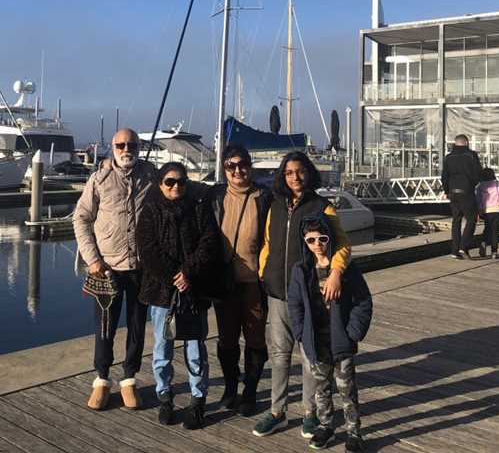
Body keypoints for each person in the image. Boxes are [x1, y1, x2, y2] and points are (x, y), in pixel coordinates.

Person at [253, 151, 352, 439]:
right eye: (288, 172)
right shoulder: (276, 205)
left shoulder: (322, 207)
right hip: (276, 292)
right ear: (282, 176)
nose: (294, 177)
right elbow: (268, 244)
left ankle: (310, 412)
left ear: (309, 172)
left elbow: (343, 244)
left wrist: (335, 272)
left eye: (300, 171)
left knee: (310, 355)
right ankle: (277, 411)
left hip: (309, 294)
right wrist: (263, 270)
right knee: (280, 355)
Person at [73, 128, 155, 411]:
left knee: (136, 327)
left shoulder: (152, 176)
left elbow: (177, 189)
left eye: (131, 144)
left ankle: (129, 379)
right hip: (106, 269)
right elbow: (81, 219)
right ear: (113, 146)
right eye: (121, 144)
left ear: (139, 146)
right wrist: (93, 259)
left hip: (141, 268)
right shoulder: (99, 179)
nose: (126, 149)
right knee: (105, 327)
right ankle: (102, 379)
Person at [137, 162, 221, 430]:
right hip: (162, 292)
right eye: (169, 182)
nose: (175, 186)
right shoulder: (150, 210)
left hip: (194, 290)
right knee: (162, 349)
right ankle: (165, 396)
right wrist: (174, 276)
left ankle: (198, 400)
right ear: (160, 184)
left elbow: (209, 241)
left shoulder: (198, 207)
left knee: (195, 350)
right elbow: (147, 249)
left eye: (181, 182)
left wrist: (188, 273)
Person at [288, 214, 372, 451]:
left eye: (322, 238)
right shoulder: (301, 270)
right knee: (321, 390)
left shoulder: (346, 269)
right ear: (305, 243)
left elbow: (363, 301)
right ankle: (326, 426)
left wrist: (353, 333)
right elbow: (294, 304)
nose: (317, 244)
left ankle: (354, 432)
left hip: (340, 341)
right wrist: (300, 333)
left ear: (330, 238)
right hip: (315, 342)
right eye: (311, 240)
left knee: (347, 391)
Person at [207, 144, 270, 416]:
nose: (237, 170)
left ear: (250, 165)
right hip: (225, 282)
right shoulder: (214, 195)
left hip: (255, 281)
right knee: (227, 339)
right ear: (224, 169)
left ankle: (251, 391)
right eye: (230, 166)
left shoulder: (264, 197)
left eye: (242, 164)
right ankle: (231, 388)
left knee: (255, 338)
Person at [441, 134, 482, 260]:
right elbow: (478, 173)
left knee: (456, 221)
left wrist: (447, 190)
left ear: (455, 143)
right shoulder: (471, 155)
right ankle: (463, 247)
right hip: (466, 191)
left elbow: (444, 177)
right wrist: (472, 184)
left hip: (453, 192)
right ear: (466, 143)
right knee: (471, 219)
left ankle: (454, 251)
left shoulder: (448, 157)